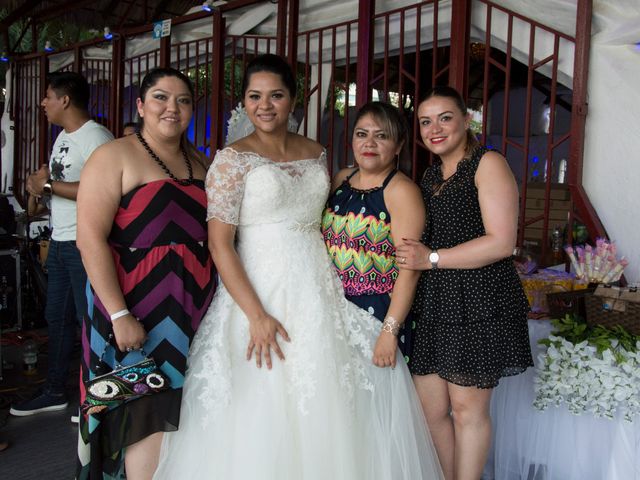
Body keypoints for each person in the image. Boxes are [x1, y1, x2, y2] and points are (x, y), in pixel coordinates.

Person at [154, 54, 443, 480]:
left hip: (317, 288)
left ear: (293, 101)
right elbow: (220, 244)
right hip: (257, 291)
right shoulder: (232, 160)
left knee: (328, 399)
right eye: (255, 96)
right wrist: (256, 315)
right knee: (260, 399)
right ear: (245, 102)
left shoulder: (317, 153)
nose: (265, 105)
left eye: (276, 95)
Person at [75, 67, 216, 479]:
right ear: (140, 105)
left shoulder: (200, 162)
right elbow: (90, 239)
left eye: (183, 100)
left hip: (193, 305)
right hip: (134, 305)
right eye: (160, 97)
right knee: (140, 412)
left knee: (182, 411)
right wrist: (118, 314)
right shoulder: (113, 155)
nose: (172, 108)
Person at [396, 86, 532, 480]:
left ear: (466, 120)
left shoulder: (488, 163)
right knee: (431, 410)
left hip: (481, 299)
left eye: (445, 117)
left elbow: (502, 242)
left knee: (468, 410)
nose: (434, 128)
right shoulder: (430, 173)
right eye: (425, 121)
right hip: (437, 301)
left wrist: (432, 258)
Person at [10, 72, 114, 417]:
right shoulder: (63, 138)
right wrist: (39, 190)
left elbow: (104, 188)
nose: (43, 103)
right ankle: (56, 389)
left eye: (48, 96)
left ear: (65, 100)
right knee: (57, 317)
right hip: (60, 240)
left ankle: (98, 393)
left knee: (91, 320)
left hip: (85, 243)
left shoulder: (96, 137)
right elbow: (53, 184)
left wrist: (49, 186)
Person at [322, 101, 425, 367]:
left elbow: (409, 269)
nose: (369, 143)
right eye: (362, 134)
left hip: (377, 312)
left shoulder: (401, 191)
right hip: (333, 307)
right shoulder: (341, 179)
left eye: (381, 136)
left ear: (399, 146)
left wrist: (389, 332)